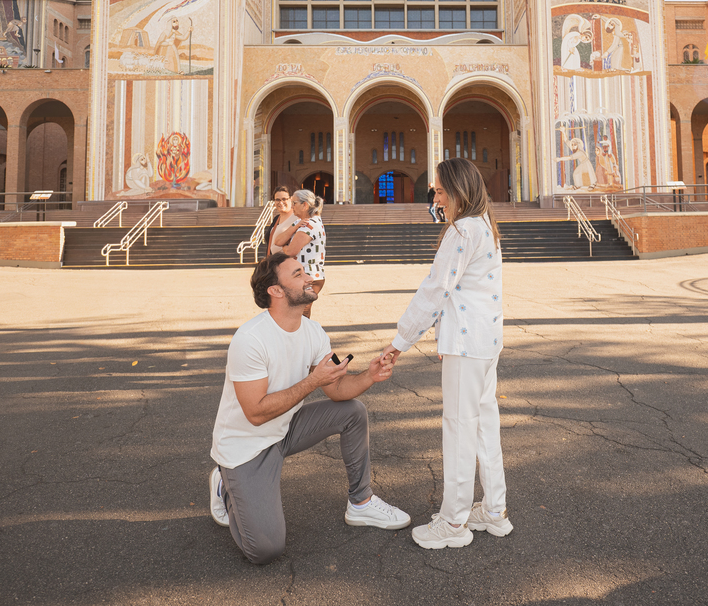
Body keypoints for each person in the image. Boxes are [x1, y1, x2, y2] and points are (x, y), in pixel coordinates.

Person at [209, 253, 410, 564]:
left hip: (285, 429)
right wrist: (312, 381)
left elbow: (337, 390)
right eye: (298, 273)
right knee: (265, 550)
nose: (310, 278)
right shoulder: (250, 339)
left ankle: (361, 502)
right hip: (246, 446)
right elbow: (255, 413)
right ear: (275, 291)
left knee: (352, 412)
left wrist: (370, 375)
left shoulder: (313, 332)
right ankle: (225, 485)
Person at [381, 157, 511, 549]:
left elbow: (436, 290)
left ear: (457, 191)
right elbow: (464, 292)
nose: (435, 197)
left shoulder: (462, 230)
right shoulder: (485, 225)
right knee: (484, 425)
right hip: (484, 341)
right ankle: (493, 510)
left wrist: (400, 341)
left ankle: (453, 523)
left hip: (466, 344)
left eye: (439, 190)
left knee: (458, 428)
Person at [280, 189, 326, 319]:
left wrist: (285, 246)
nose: (291, 206)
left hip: (308, 275)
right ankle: (300, 337)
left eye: (294, 203)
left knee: (300, 313)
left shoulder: (309, 225)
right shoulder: (304, 221)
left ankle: (302, 337)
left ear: (305, 205)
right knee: (299, 312)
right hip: (307, 274)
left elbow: (290, 251)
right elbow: (277, 240)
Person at [265, 186, 299, 256]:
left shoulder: (297, 217)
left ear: (291, 199)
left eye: (284, 199)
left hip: (287, 262)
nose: (280, 203)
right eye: (277, 200)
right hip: (274, 262)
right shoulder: (276, 219)